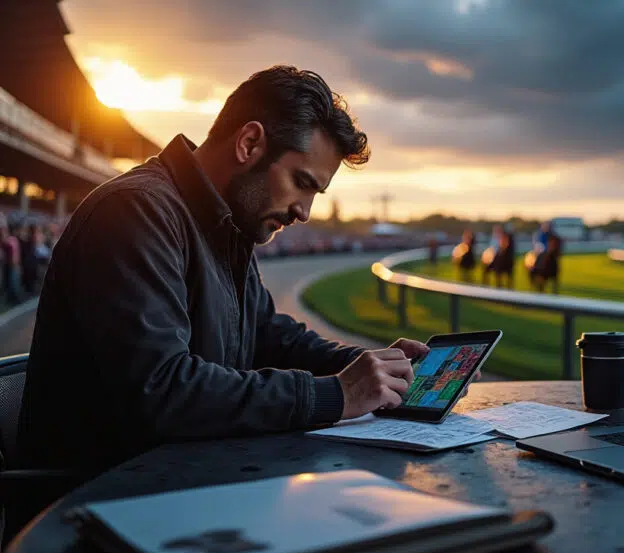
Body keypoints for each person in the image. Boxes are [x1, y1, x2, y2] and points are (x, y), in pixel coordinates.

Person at [16, 66, 450, 488]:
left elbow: (270, 337)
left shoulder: (227, 225)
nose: (304, 212)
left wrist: (370, 369)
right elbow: (161, 391)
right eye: (301, 182)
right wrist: (336, 395)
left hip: (182, 482)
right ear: (249, 143)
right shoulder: (133, 211)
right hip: (97, 504)